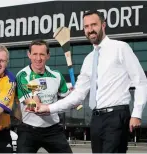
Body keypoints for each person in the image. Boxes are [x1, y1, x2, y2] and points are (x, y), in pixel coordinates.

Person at [35, 10, 147, 153]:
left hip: (116, 116)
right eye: (86, 26)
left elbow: (141, 81)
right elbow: (78, 95)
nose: (90, 30)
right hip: (96, 119)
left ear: (103, 25)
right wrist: (48, 108)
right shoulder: (88, 59)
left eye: (94, 25)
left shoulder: (120, 48)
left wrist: (137, 113)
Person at [15, 40, 73, 153]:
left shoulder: (56, 75)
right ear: (29, 55)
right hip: (29, 129)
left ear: (48, 56)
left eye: (42, 54)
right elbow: (31, 102)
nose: (38, 58)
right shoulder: (22, 76)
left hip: (53, 129)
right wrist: (38, 106)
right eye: (35, 54)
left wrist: (73, 97)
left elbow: (66, 97)